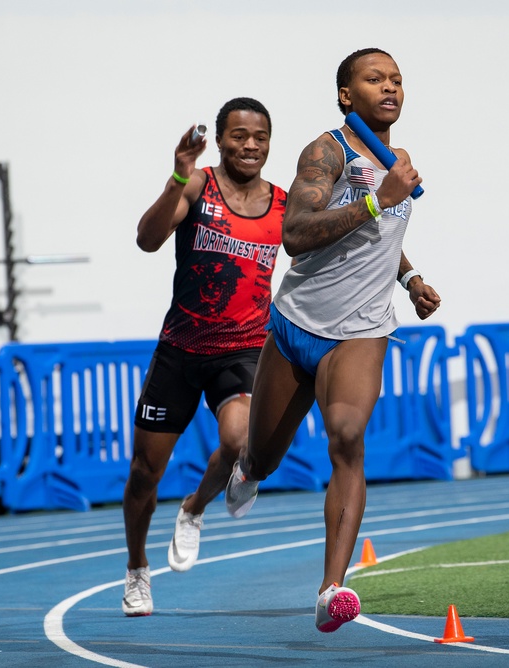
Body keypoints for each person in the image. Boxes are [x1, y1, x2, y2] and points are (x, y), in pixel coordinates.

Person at [224, 47, 441, 632]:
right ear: (347, 95)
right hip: (298, 327)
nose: (390, 87)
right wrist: (379, 198)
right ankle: (246, 467)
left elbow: (381, 239)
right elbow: (295, 234)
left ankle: (331, 590)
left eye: (396, 79)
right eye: (375, 79)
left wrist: (411, 278)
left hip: (364, 329)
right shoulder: (327, 152)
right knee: (265, 456)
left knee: (347, 437)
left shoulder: (395, 161)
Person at [121, 97, 286, 616]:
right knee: (145, 473)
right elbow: (148, 240)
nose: (250, 145)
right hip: (180, 350)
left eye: (259, 136)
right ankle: (136, 569)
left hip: (240, 351)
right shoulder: (198, 185)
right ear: (220, 140)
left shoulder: (284, 204)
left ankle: (194, 508)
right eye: (239, 135)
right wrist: (177, 174)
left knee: (240, 441)